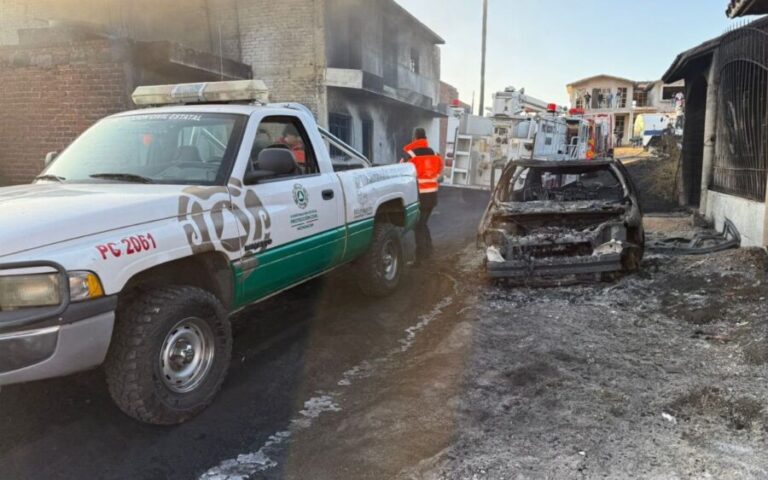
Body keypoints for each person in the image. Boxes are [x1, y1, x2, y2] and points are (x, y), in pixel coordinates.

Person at [401, 128, 444, 265]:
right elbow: (439, 170)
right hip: (432, 196)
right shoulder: (434, 153)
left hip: (419, 196)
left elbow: (402, 171)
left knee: (418, 225)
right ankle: (428, 250)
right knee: (422, 223)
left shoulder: (411, 155)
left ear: (415, 138)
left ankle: (419, 259)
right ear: (425, 138)